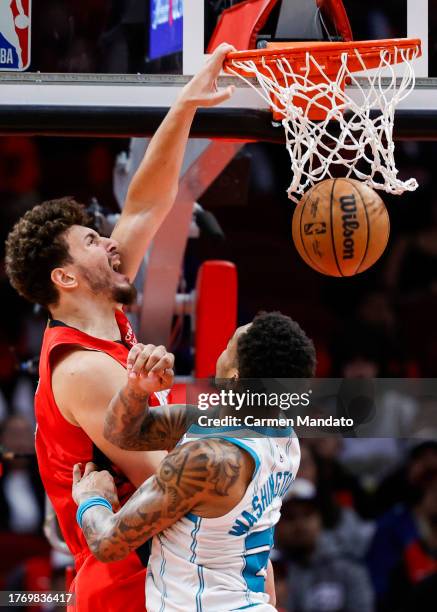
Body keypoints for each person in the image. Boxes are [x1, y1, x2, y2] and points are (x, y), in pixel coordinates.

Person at [4, 43, 236, 612]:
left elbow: (143, 208)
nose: (109, 241)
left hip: (163, 576)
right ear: (66, 277)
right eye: (91, 241)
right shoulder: (83, 370)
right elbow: (175, 485)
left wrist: (185, 106)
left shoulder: (103, 308)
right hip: (130, 589)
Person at [72, 312, 317, 611]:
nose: (222, 347)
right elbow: (122, 434)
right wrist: (137, 389)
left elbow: (108, 543)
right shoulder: (283, 436)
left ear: (234, 376)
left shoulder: (208, 461)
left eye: (229, 344)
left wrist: (91, 499)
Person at [274, 478, 374, 612]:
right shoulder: (269, 571)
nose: (300, 524)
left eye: (307, 514)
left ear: (320, 518)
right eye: (290, 517)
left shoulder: (347, 565)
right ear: (276, 524)